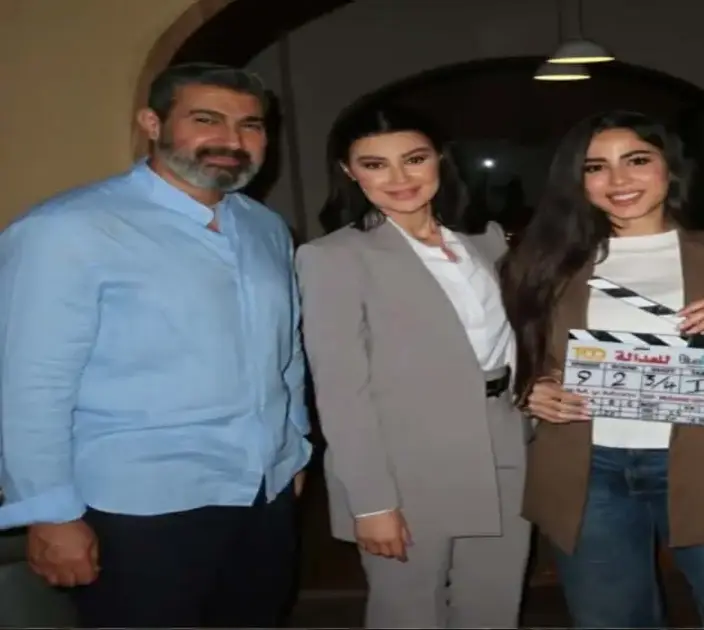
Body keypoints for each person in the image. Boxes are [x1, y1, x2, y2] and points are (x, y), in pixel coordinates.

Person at [0, 62, 310, 627]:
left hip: (261, 492)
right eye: (206, 120)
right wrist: (48, 512)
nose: (232, 140)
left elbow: (286, 353)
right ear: (152, 123)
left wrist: (295, 446)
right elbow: (29, 383)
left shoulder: (266, 228)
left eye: (250, 125)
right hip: (137, 506)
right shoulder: (67, 229)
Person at [501, 110, 704, 628]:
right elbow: (520, 363)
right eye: (596, 167)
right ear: (578, 180)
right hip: (589, 469)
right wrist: (533, 390)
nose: (618, 180)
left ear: (670, 167)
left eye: (637, 160)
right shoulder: (543, 262)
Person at [295, 98, 529, 629]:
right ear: (349, 172)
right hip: (404, 461)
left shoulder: (485, 241)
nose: (399, 178)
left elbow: (513, 341)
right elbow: (340, 391)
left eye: (414, 159)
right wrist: (371, 502)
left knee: (494, 607)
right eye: (375, 164)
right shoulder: (333, 257)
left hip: (503, 443)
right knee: (409, 612)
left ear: (440, 158)